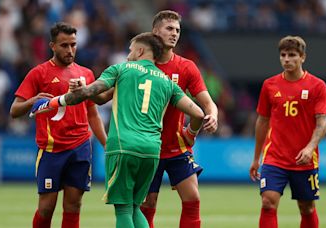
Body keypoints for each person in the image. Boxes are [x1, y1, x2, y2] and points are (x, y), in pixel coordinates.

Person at [30, 32, 206, 228]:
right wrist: (190, 134)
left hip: (124, 146)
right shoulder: (166, 82)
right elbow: (198, 113)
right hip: (152, 150)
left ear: (140, 51)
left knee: (123, 208)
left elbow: (92, 92)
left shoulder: (121, 69)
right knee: (135, 207)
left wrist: (71, 94)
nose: (128, 54)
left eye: (130, 50)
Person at [9, 22, 107, 228]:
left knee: (74, 205)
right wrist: (32, 100)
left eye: (73, 44)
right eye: (64, 45)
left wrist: (106, 144)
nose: (70, 50)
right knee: (46, 207)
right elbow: (14, 111)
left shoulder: (86, 74)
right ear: (52, 46)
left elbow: (92, 114)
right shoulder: (39, 73)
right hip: (52, 149)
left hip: (80, 147)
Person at [140, 10, 218, 228]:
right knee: (148, 203)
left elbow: (208, 102)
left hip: (177, 146)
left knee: (192, 198)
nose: (174, 34)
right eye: (169, 29)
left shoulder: (186, 67)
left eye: (177, 30)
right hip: (148, 147)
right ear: (155, 32)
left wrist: (213, 114)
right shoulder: (140, 66)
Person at [249, 35, 326, 228]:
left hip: (304, 159)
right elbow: (262, 121)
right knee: (268, 202)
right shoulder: (269, 85)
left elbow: (322, 122)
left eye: (292, 55)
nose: (286, 59)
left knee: (307, 208)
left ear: (302, 57)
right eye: (283, 55)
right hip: (274, 157)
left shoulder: (317, 86)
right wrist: (256, 157)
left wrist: (310, 147)